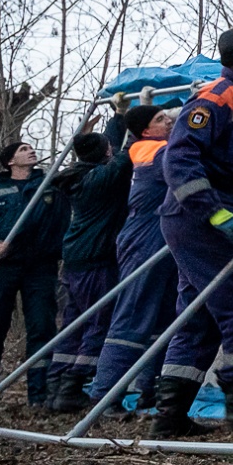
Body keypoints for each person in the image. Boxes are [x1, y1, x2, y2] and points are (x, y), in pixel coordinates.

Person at [152, 25, 233, 438]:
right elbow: (179, 158)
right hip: (196, 218)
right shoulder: (215, 98)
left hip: (207, 217)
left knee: (199, 316)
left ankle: (169, 419)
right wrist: (215, 214)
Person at [0, 140, 71, 408]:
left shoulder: (50, 186)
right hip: (1, 269)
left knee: (42, 328)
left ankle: (40, 397)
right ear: (10, 161)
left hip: (41, 268)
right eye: (22, 150)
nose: (30, 151)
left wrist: (83, 138)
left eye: (31, 148)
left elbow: (82, 167)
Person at [85, 102, 181, 414]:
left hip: (162, 237)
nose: (167, 121)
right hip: (145, 239)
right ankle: (104, 396)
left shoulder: (151, 147)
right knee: (133, 315)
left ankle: (149, 391)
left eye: (167, 116)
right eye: (160, 118)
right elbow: (189, 158)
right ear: (144, 131)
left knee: (164, 317)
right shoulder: (150, 150)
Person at [45, 115, 134, 411]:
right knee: (100, 321)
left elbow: (109, 149)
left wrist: (118, 117)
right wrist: (137, 114)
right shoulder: (100, 178)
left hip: (74, 259)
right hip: (96, 260)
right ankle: (74, 384)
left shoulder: (78, 174)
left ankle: (56, 386)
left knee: (74, 322)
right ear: (104, 152)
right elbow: (127, 153)